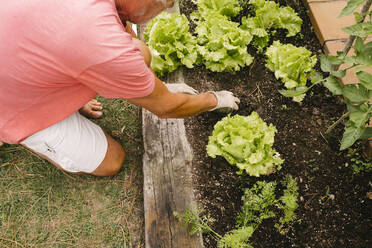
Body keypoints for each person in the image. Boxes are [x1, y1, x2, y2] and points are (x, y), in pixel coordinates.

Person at [0, 0, 240, 176]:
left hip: (19, 55)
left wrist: (151, 84)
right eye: (164, 4)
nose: (165, 9)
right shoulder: (102, 45)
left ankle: (60, 90)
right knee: (112, 161)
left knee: (140, 54)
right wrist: (214, 99)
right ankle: (18, 132)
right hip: (10, 104)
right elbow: (167, 108)